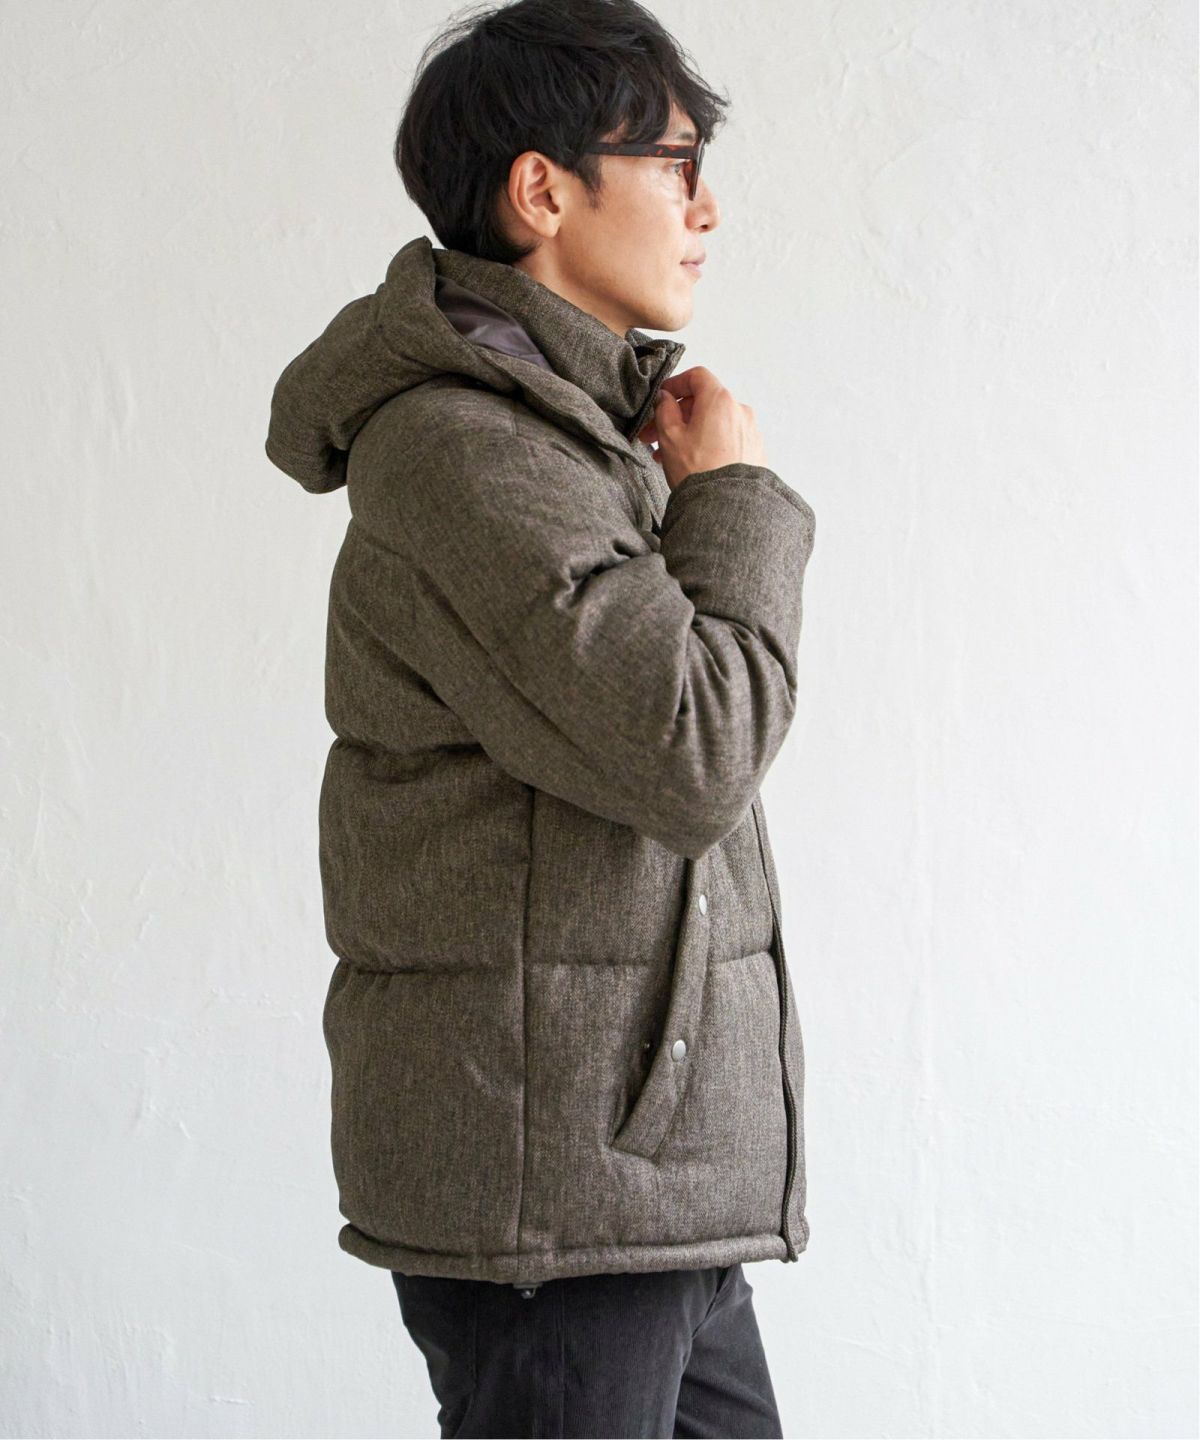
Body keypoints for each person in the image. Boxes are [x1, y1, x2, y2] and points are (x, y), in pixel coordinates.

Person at [264, 0, 818, 1433]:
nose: (707, 207)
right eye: (676, 164)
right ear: (542, 190)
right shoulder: (467, 450)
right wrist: (733, 501)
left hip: (627, 1181)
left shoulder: (574, 433)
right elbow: (692, 749)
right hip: (554, 1198)